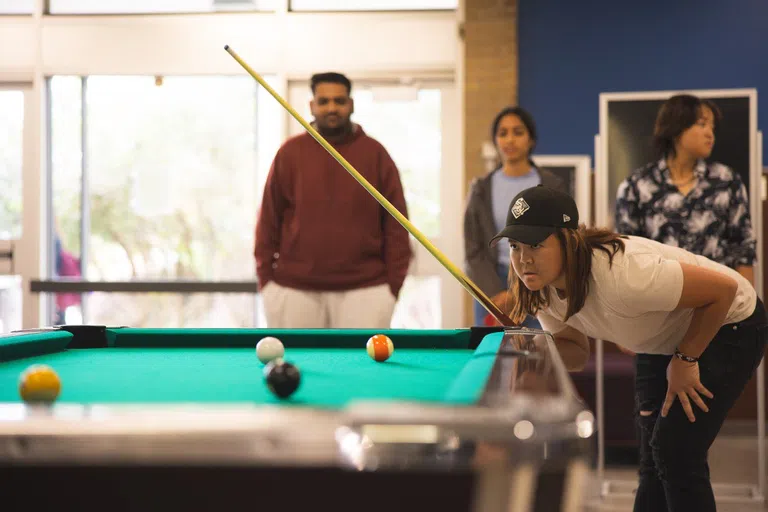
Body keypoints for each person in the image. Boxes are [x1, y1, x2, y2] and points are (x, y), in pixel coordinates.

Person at [491, 184, 767, 512]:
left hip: (731, 322)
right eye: (514, 246)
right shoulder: (542, 289)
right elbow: (576, 351)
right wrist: (532, 358)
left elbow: (725, 290)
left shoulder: (623, 274)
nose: (523, 260)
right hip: (662, 340)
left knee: (675, 451)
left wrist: (686, 358)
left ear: (567, 240)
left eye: (535, 244)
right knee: (652, 457)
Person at [254, 72, 412, 329]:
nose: (331, 108)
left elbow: (397, 225)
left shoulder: (375, 153)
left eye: (339, 101)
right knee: (297, 366)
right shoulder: (289, 153)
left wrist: (391, 287)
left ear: (351, 104)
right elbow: (268, 220)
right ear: (312, 105)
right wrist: (267, 282)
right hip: (294, 289)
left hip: (366, 290)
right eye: (324, 101)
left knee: (362, 369)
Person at [615, 94, 756, 284]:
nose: (710, 134)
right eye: (702, 124)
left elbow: (743, 249)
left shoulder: (726, 181)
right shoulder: (636, 186)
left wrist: (747, 308)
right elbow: (627, 257)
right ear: (676, 129)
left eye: (713, 127)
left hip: (718, 301)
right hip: (659, 304)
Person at [463, 106, 568, 327]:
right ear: (495, 141)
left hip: (539, 283)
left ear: (531, 139)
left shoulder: (552, 186)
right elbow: (473, 248)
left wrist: (521, 291)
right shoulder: (480, 189)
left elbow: (563, 239)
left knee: (538, 354)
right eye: (503, 133)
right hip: (491, 284)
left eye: (518, 132)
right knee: (491, 357)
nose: (510, 140)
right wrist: (496, 292)